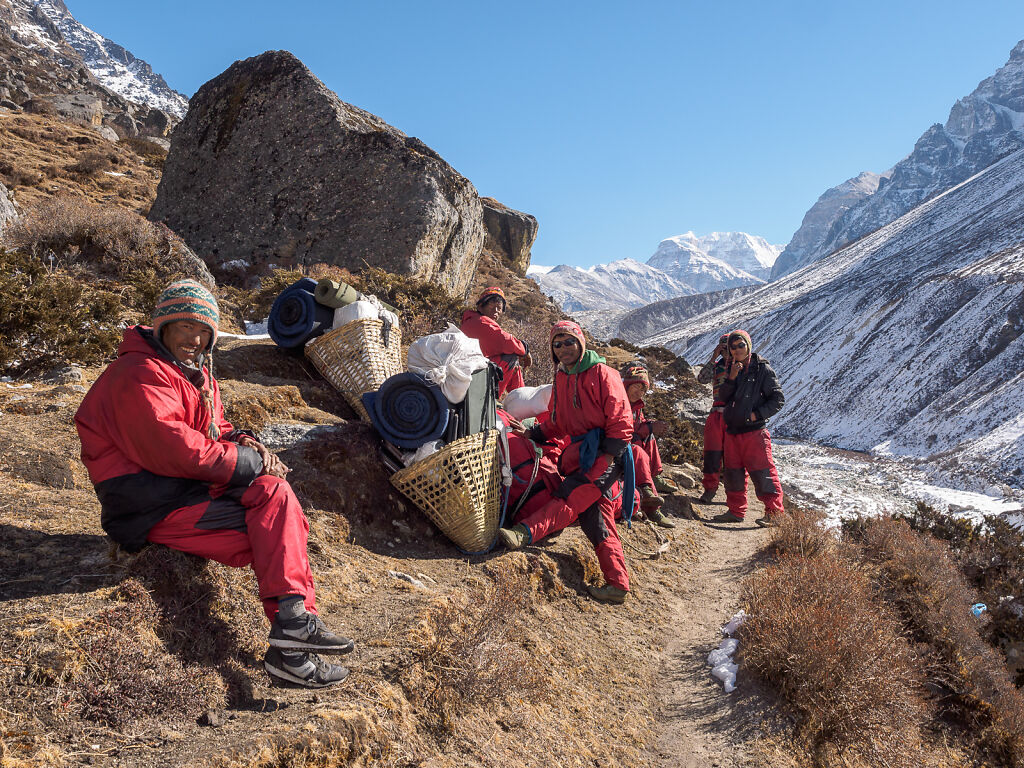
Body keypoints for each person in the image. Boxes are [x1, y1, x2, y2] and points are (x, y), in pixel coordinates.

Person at [75, 279, 353, 689]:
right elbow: (177, 449)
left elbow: (215, 429)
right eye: (185, 326)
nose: (195, 337)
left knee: (278, 503)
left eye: (204, 329)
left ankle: (292, 632)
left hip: (184, 492)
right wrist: (252, 462)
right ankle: (291, 650)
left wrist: (244, 442)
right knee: (279, 531)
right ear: (163, 327)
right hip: (151, 506)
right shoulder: (136, 374)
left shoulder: (192, 374)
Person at [497, 320, 634, 604]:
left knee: (568, 498)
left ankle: (523, 535)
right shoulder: (563, 377)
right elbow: (560, 421)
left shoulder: (604, 373)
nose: (563, 349)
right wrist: (534, 432)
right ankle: (618, 584)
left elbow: (621, 419)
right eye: (556, 344)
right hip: (582, 455)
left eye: (568, 342)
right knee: (595, 518)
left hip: (605, 455)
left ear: (581, 343)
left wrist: (607, 458)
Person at [710, 329, 785, 527]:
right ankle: (735, 511)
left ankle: (775, 513)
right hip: (733, 431)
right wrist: (732, 377)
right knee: (733, 474)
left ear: (748, 346)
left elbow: (778, 399)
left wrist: (756, 415)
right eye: (733, 347)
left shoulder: (762, 369)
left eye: (740, 345)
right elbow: (723, 397)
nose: (736, 350)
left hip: (754, 432)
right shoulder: (730, 367)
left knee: (763, 472)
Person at [619, 362, 675, 529]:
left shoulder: (636, 406)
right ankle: (650, 504)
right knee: (637, 448)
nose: (640, 392)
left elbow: (639, 424)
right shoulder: (618, 402)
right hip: (619, 448)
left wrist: (650, 425)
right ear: (627, 385)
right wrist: (649, 427)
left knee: (648, 436)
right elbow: (624, 430)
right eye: (636, 386)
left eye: (643, 389)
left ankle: (655, 477)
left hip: (629, 445)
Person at [460, 287, 532, 398]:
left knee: (513, 362)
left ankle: (521, 399)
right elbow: (507, 342)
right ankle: (494, 398)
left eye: (499, 308)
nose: (496, 311)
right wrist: (525, 350)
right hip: (474, 376)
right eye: (492, 306)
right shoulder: (481, 322)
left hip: (470, 372)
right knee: (510, 358)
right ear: (480, 306)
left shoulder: (472, 320)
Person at [696, 334, 731, 503]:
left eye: (728, 347)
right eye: (722, 348)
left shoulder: (742, 366)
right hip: (717, 412)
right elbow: (701, 379)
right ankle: (710, 488)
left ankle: (733, 492)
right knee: (712, 453)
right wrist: (713, 357)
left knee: (733, 455)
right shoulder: (717, 366)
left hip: (734, 414)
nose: (726, 351)